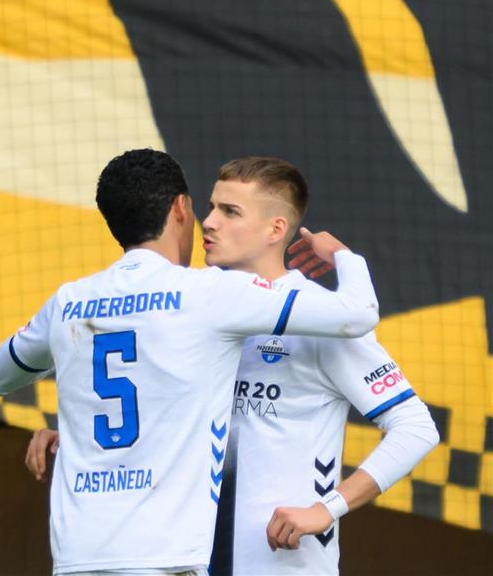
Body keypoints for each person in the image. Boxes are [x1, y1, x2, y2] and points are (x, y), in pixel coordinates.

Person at [22, 157, 439, 575]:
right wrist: (78, 435)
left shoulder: (321, 321)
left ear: (276, 229)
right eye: (211, 207)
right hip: (190, 562)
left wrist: (326, 509)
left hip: (282, 564)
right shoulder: (196, 311)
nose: (209, 223)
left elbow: (415, 427)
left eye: (230, 211)